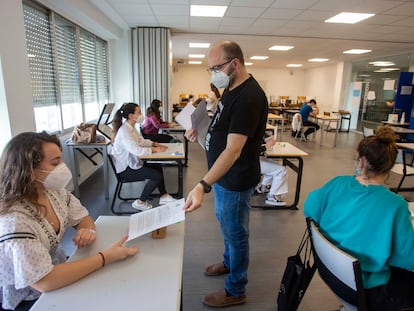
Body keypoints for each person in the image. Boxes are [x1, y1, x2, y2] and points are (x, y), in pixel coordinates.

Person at [0, 132, 138, 311]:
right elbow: (45, 282)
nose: (63, 166)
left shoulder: (53, 191)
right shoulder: (14, 221)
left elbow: (82, 217)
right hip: (29, 297)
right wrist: (106, 257)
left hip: (57, 268)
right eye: (55, 162)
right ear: (29, 169)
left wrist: (86, 230)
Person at [183, 41, 268, 308]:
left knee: (236, 232)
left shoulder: (249, 97)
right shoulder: (230, 87)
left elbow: (232, 151)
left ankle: (235, 290)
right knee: (226, 223)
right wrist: (202, 132)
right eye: (210, 69)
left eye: (216, 68)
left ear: (235, 64)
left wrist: (202, 185)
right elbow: (222, 127)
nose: (213, 75)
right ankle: (230, 262)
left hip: (235, 177)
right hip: (223, 177)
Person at [303, 126, 414, 311]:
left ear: (360, 160)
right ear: (390, 165)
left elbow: (310, 209)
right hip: (368, 288)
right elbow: (408, 257)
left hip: (333, 274)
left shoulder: (337, 183)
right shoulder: (396, 205)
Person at [111, 103, 176, 211]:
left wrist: (154, 144)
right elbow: (136, 150)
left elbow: (141, 141)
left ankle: (164, 196)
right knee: (156, 176)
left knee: (157, 167)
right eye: (139, 112)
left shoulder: (130, 127)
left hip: (132, 163)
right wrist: (154, 150)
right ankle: (140, 202)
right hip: (126, 170)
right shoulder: (124, 132)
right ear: (131, 116)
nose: (142, 114)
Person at [256, 135, 288, 206]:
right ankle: (272, 197)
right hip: (248, 162)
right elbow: (249, 150)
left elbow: (251, 143)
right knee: (281, 170)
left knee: (272, 163)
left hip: (250, 160)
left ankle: (263, 187)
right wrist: (266, 146)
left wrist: (265, 140)